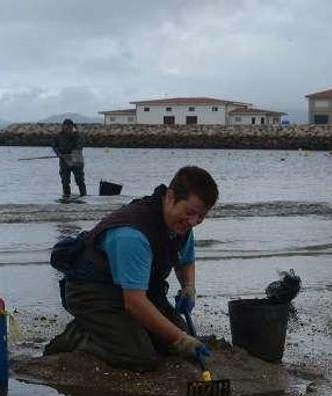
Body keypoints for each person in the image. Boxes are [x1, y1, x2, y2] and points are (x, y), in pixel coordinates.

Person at [45, 166, 218, 371]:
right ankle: (79, 336)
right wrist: (182, 340)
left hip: (137, 291)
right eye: (190, 213)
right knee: (140, 357)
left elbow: (185, 259)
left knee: (171, 345)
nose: (194, 222)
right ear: (170, 197)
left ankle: (117, 331)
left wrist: (189, 287)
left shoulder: (179, 225)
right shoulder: (132, 236)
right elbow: (134, 303)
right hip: (93, 292)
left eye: (201, 216)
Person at [51, 118, 86, 198]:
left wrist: (73, 154)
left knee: (80, 180)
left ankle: (84, 197)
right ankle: (66, 197)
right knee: (65, 181)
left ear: (72, 127)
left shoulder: (76, 135)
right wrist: (58, 154)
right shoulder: (58, 136)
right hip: (64, 159)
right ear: (63, 127)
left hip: (76, 158)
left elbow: (79, 146)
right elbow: (54, 145)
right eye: (66, 127)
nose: (68, 129)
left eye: (69, 128)